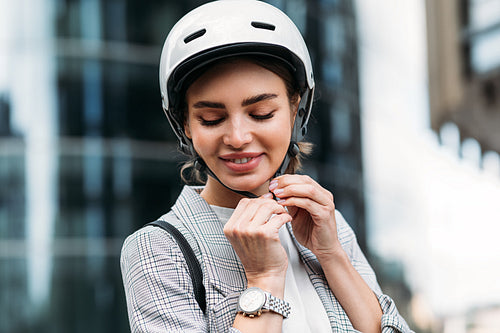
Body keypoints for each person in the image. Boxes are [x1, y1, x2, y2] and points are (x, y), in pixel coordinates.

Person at [120, 0, 413, 332]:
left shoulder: (327, 225)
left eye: (261, 114)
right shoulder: (159, 250)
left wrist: (332, 256)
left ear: (295, 111)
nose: (238, 137)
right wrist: (264, 280)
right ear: (185, 126)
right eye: (212, 119)